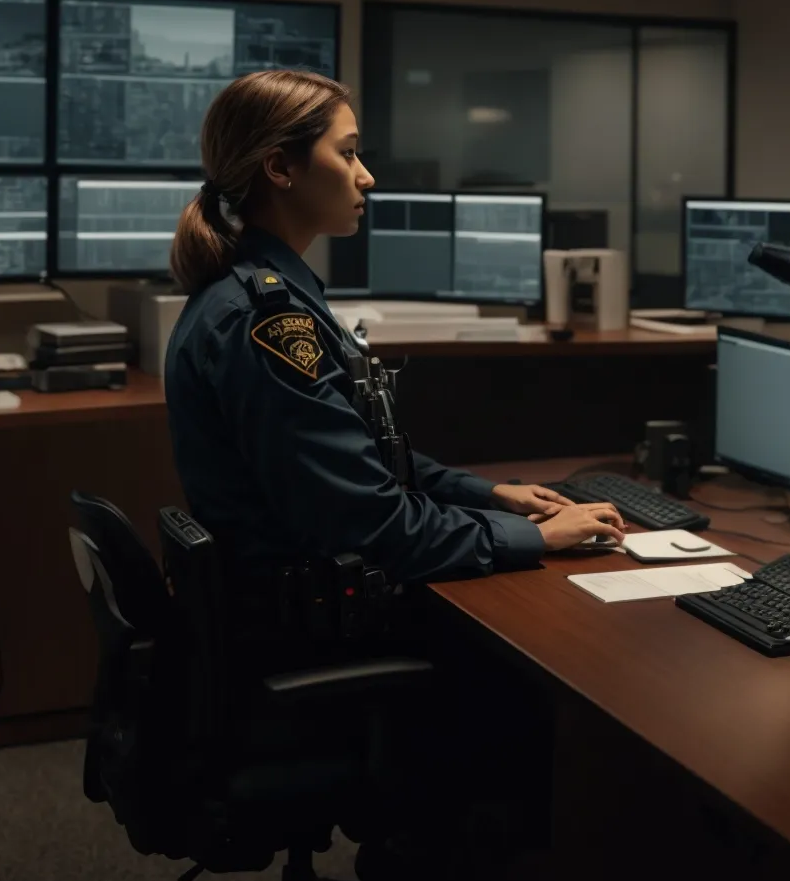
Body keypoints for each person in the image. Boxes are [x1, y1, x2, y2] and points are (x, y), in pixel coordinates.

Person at [163, 68, 626, 589]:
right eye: (347, 153)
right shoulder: (265, 320)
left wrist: (487, 494)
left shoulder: (263, 293)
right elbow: (370, 524)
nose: (366, 176)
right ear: (279, 167)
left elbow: (361, 461)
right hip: (310, 619)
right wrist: (536, 537)